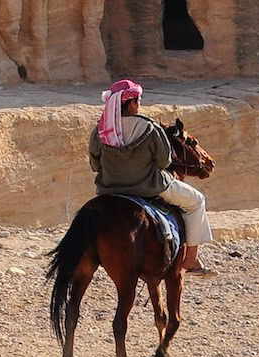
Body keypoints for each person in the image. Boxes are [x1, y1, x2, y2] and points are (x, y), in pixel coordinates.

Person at [87, 78, 214, 275]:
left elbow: (95, 165)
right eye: (138, 101)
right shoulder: (149, 127)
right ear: (131, 103)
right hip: (150, 186)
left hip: (109, 189)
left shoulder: (100, 131)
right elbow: (164, 162)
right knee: (196, 201)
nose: (139, 105)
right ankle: (191, 259)